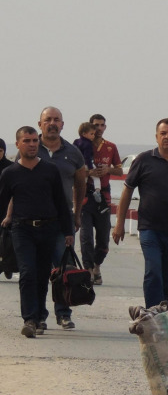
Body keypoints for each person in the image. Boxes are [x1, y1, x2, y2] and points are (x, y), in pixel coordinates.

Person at [112, 118, 168, 308]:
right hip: (150, 228)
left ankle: (166, 313)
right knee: (153, 271)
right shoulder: (144, 160)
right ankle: (153, 311)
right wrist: (119, 224)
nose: (167, 137)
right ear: (157, 137)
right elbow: (127, 190)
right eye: (163, 133)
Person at [0, 127, 74, 337]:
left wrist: (68, 231)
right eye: (27, 140)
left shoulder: (50, 170)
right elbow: (2, 203)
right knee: (27, 273)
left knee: (43, 275)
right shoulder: (10, 173)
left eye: (34, 141)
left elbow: (61, 203)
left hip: (49, 228)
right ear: (18, 144)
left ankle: (41, 316)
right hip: (22, 229)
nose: (32, 144)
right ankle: (30, 319)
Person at [38, 107, 87, 330]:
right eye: (48, 119)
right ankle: (37, 315)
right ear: (40, 124)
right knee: (37, 271)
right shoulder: (29, 147)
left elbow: (80, 185)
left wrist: (76, 215)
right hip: (33, 221)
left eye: (56, 120)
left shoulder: (73, 152)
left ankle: (64, 313)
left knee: (64, 269)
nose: (52, 123)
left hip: (62, 222)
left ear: (63, 124)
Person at [83, 114, 123, 286]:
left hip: (104, 198)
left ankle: (97, 265)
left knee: (103, 239)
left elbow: (120, 171)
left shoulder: (111, 147)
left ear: (105, 127)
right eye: (95, 125)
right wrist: (88, 173)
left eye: (101, 125)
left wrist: (108, 169)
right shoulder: (81, 146)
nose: (98, 128)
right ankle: (88, 271)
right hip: (85, 197)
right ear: (89, 127)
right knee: (86, 238)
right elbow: (71, 171)